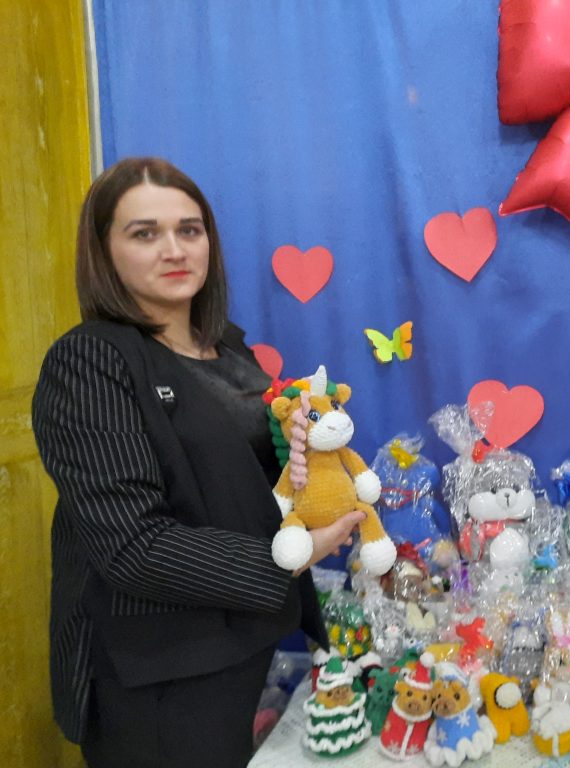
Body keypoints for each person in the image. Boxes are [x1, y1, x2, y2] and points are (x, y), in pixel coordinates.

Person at [32, 157, 364, 767]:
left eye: (189, 229)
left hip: (246, 637)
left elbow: (248, 478)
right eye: (144, 233)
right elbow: (132, 546)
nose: (174, 249)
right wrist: (292, 555)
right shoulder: (90, 361)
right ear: (103, 252)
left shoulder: (227, 346)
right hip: (161, 671)